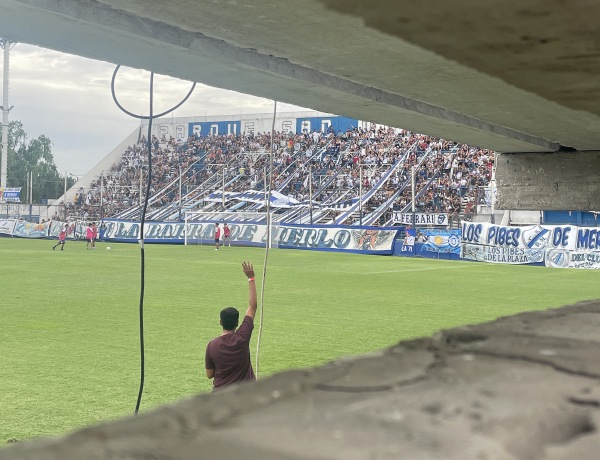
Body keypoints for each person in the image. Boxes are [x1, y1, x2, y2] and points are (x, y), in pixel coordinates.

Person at [205, 261, 257, 390]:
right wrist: (251, 278)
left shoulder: (212, 345)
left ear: (220, 322)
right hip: (246, 393)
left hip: (221, 395)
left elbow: (209, 374)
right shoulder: (243, 336)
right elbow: (253, 306)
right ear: (237, 322)